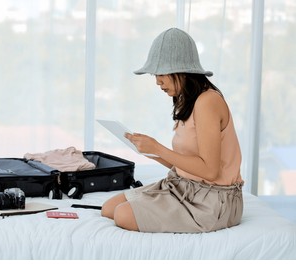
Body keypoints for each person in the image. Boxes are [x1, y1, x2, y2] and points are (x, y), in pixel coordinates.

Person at [101, 27, 244, 233]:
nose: (157, 81)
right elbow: (188, 165)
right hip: (185, 185)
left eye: (161, 74)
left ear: (182, 70)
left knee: (122, 214)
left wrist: (159, 148)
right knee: (109, 208)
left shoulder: (208, 102)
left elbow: (210, 171)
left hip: (212, 200)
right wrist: (152, 152)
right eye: (155, 74)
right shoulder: (188, 100)